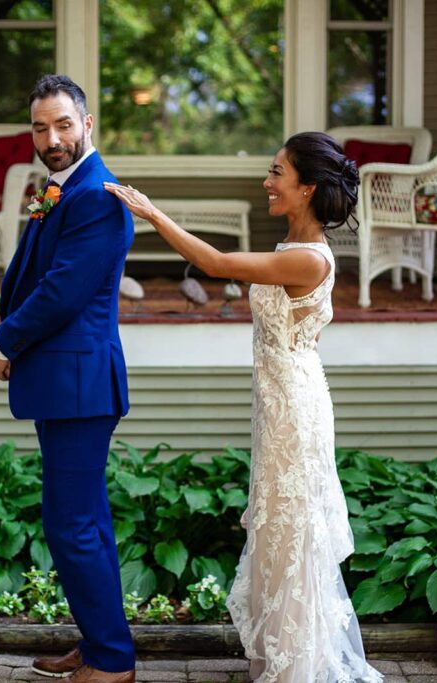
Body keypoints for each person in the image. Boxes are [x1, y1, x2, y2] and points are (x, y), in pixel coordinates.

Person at [105, 132, 384, 683]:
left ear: (306, 188)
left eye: (277, 172)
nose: (267, 182)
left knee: (292, 531)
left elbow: (214, 263)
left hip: (294, 410)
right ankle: (281, 656)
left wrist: (151, 212)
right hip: (276, 403)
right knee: (277, 530)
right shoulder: (288, 249)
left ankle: (296, 667)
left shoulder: (307, 259)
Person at [0, 74, 136, 683]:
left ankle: (112, 661)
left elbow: (62, 291)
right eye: (41, 127)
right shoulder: (62, 189)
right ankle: (101, 643)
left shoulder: (96, 196)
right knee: (84, 521)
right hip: (65, 382)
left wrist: (3, 337)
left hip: (79, 384)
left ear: (88, 125)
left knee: (71, 524)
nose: (52, 138)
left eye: (64, 125)